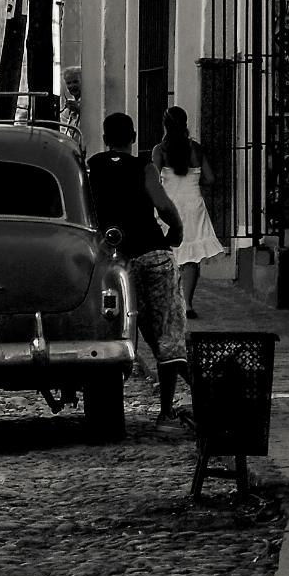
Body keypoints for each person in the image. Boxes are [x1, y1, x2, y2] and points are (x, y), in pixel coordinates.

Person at [83, 111, 189, 415]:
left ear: (105, 139)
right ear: (133, 137)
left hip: (116, 262)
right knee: (168, 334)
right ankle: (166, 412)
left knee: (123, 328)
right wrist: (177, 229)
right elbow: (163, 205)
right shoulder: (143, 167)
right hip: (152, 253)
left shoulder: (91, 168)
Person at [152, 106, 226, 318]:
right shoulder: (196, 149)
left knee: (167, 254)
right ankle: (188, 305)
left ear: (165, 125)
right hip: (194, 204)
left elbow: (154, 178)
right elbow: (210, 178)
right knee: (191, 258)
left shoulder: (160, 150)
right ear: (185, 123)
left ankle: (169, 302)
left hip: (169, 205)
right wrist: (194, 181)